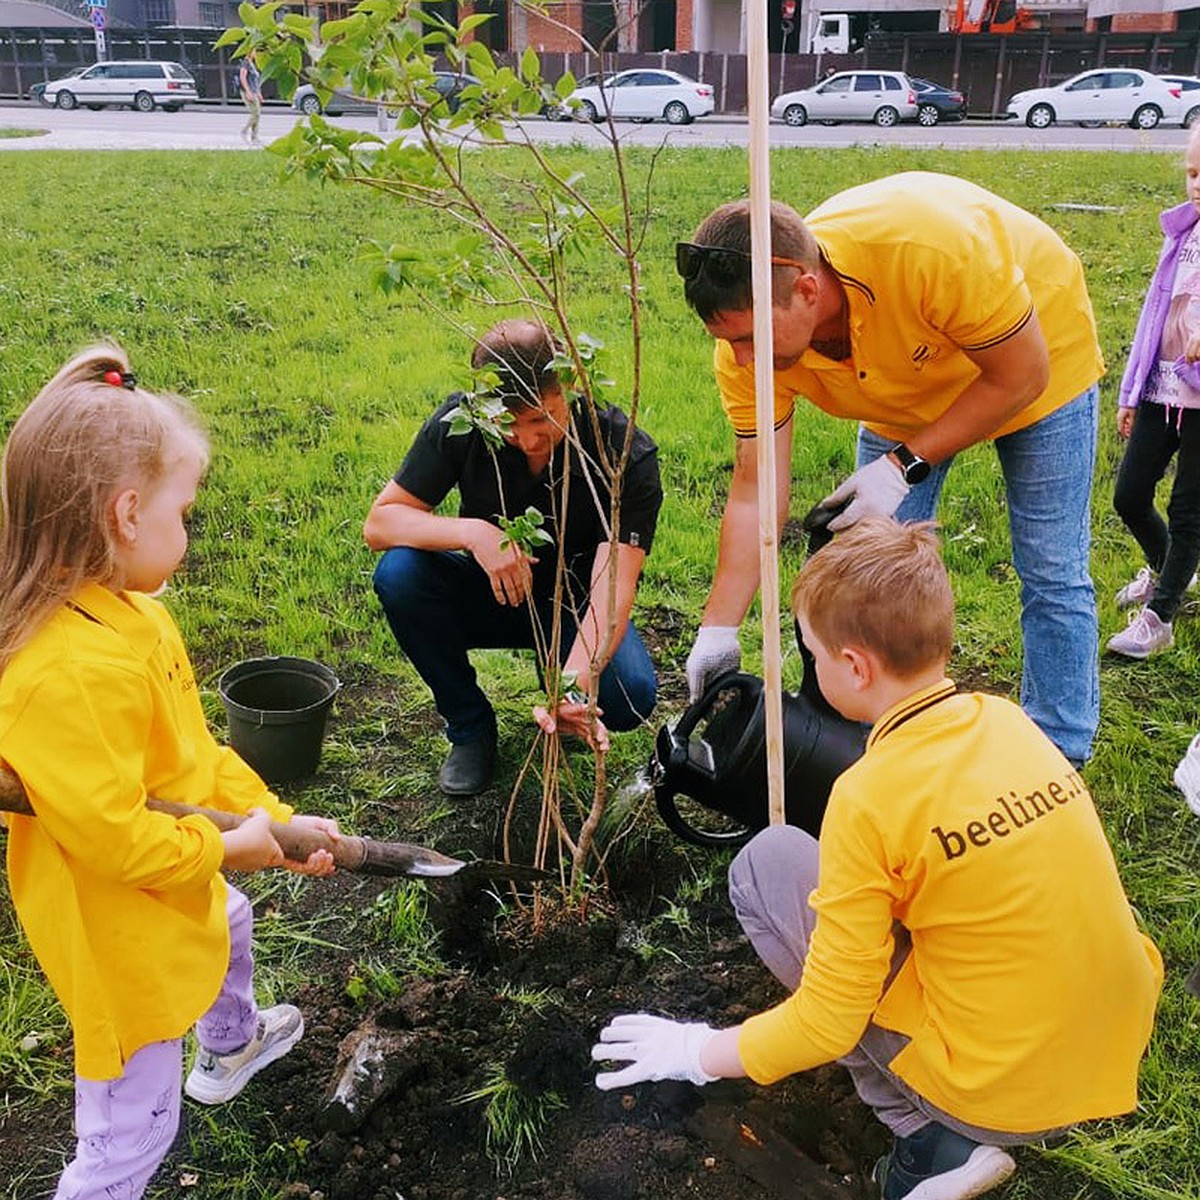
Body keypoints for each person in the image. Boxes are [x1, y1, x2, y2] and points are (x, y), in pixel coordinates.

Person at [592, 518, 1162, 1200]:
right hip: (1111, 1042)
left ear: (855, 667)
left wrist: (697, 1052)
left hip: (1004, 1093)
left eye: (812, 653)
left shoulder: (866, 796)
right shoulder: (1008, 721)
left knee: (769, 863)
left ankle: (933, 1143)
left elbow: (828, 1019)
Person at [0, 345, 340, 1200]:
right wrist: (231, 849)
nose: (187, 533)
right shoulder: (64, 673)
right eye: (182, 511)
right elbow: (118, 843)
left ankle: (230, 1047)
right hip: (118, 940)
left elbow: (192, 763)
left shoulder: (136, 620)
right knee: (129, 1139)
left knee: (227, 922)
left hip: (167, 880)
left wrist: (274, 819)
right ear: (124, 514)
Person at [679, 174, 1105, 767]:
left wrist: (903, 465)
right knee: (864, 576)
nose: (744, 359)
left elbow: (1020, 375)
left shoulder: (929, 252)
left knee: (1050, 565)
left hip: (1034, 362)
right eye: (729, 342)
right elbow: (755, 492)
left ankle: (1059, 754)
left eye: (751, 337)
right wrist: (718, 631)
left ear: (805, 289)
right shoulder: (745, 355)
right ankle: (885, 740)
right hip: (903, 386)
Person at [366, 319, 661, 796]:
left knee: (629, 695)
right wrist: (474, 533)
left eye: (541, 418)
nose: (526, 439)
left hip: (577, 607)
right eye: (508, 424)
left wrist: (572, 688)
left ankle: (561, 680)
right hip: (492, 594)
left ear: (571, 388)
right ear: (484, 408)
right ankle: (470, 728)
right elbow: (380, 524)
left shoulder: (621, 451)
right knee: (400, 575)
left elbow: (614, 585)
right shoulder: (461, 425)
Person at [1108, 124, 1200, 659]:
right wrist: (1130, 389)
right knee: (1130, 495)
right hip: (1161, 391)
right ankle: (1171, 571)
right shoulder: (1182, 234)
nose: (1196, 184)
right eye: (1192, 172)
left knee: (1190, 510)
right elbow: (1151, 317)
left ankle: (1159, 614)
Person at [239, 48, 263, 145]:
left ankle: (254, 137)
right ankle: (244, 131)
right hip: (249, 92)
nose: (255, 53)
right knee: (255, 114)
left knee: (257, 114)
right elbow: (242, 77)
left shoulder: (252, 64)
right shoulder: (246, 63)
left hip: (254, 92)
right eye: (254, 51)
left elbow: (255, 81)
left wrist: (259, 93)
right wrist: (247, 91)